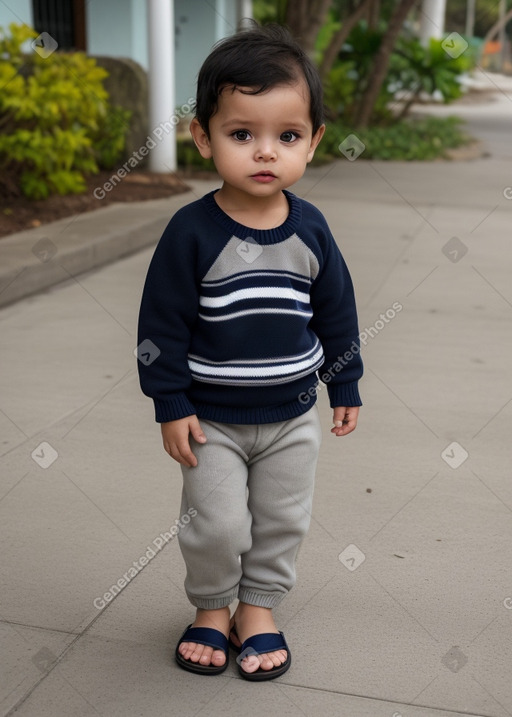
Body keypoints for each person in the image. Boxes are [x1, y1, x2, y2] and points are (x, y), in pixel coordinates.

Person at [136, 22, 363, 681]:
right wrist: (169, 401)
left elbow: (338, 313)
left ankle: (258, 607)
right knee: (215, 524)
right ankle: (212, 606)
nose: (266, 153)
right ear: (202, 136)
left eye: (287, 136)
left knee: (281, 520)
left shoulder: (312, 229)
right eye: (243, 134)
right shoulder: (191, 232)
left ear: (314, 141)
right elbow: (160, 327)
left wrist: (343, 384)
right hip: (211, 420)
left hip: (292, 417)